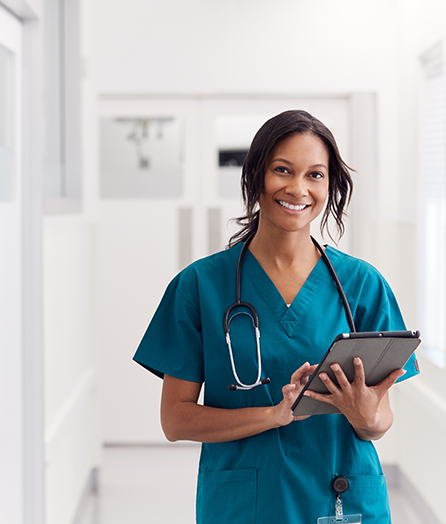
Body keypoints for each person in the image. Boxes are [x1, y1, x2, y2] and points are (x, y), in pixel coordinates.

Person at [133, 109, 419, 523]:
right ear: (255, 177)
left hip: (340, 499)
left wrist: (367, 416)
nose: (298, 188)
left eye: (315, 175)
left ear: (330, 184)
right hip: (248, 504)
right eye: (282, 170)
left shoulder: (361, 285)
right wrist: (273, 414)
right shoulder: (199, 286)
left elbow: (379, 420)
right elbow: (175, 420)